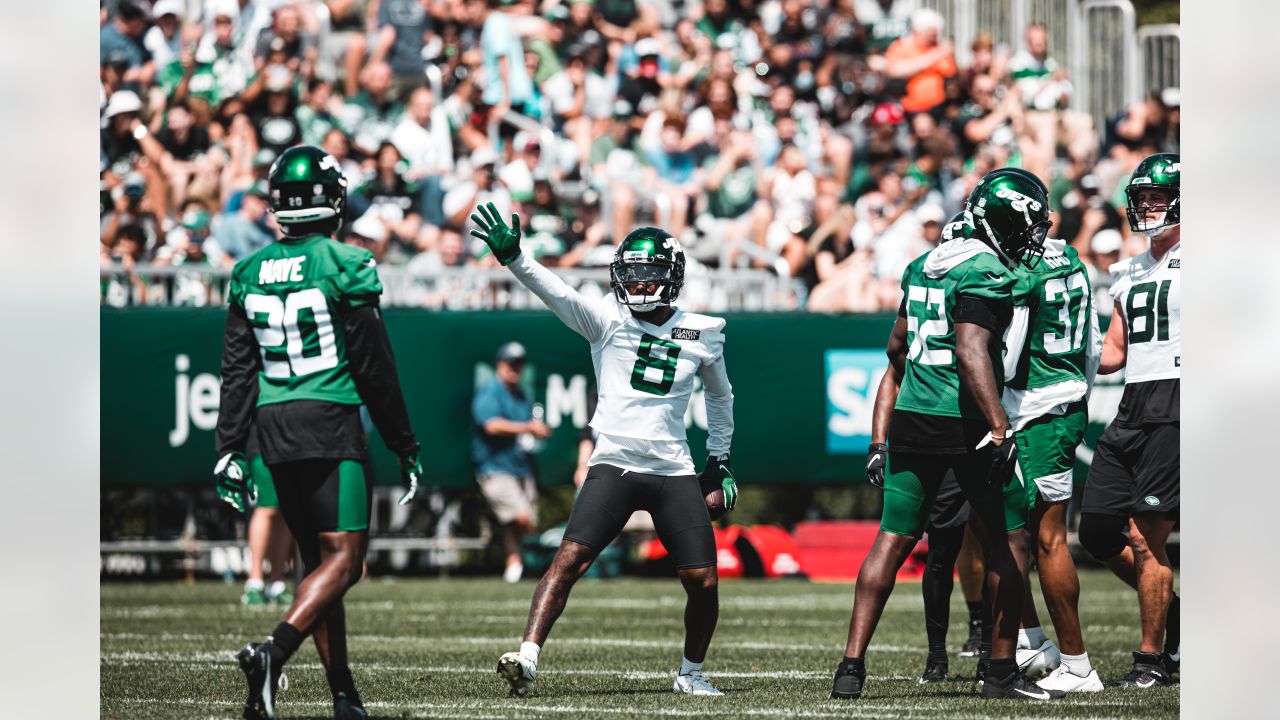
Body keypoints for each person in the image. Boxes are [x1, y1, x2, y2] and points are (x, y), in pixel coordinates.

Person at [470, 205, 737, 697]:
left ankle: (691, 672)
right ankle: (527, 656)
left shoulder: (702, 331)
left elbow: (721, 396)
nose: (636, 285)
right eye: (630, 275)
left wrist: (718, 461)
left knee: (702, 579)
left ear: (671, 277)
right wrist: (516, 260)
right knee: (568, 559)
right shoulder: (606, 321)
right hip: (613, 462)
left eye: (647, 275)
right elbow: (559, 293)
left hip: (672, 467)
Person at [832, 170, 1061, 701]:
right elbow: (970, 351)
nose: (1031, 238)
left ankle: (850, 668)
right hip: (965, 422)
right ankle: (1001, 673)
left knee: (892, 539)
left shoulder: (922, 265)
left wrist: (887, 425)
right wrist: (1000, 428)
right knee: (1011, 540)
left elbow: (897, 347)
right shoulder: (985, 270)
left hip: (912, 417)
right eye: (1025, 226)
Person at [213, 145, 424, 720]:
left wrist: (228, 446)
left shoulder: (247, 271)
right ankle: (272, 655)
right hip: (328, 418)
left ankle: (343, 697)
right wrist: (403, 441)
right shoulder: (345, 263)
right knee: (346, 562)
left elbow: (237, 371)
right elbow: (373, 365)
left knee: (320, 567)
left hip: (273, 423)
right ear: (332, 199)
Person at [991, 168, 1105, 693]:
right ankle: (1033, 640)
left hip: (1037, 408)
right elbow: (1094, 346)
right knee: (1006, 528)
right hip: (1060, 401)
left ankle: (1077, 664)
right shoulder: (1074, 261)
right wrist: (1075, 391)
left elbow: (1009, 354)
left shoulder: (1024, 272)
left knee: (1046, 538)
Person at [1078, 152, 1181, 687]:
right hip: (1133, 402)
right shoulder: (1129, 269)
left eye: (1157, 198)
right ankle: (1180, 619)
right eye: (1140, 199)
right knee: (1096, 531)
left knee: (1146, 538)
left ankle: (1151, 660)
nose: (1147, 207)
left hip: (1180, 401)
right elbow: (1114, 352)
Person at [472, 341, 551, 584]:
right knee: (522, 518)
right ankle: (541, 553)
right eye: (511, 363)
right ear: (500, 364)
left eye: (519, 364)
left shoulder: (522, 394)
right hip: (494, 467)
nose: (515, 368)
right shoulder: (490, 391)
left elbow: (525, 430)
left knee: (517, 523)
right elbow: (491, 425)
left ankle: (514, 562)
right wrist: (527, 427)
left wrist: (535, 432)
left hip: (520, 466)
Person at [240, 449, 296, 607]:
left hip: (288, 446)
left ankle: (276, 584)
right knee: (266, 508)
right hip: (263, 445)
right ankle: (254, 582)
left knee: (284, 511)